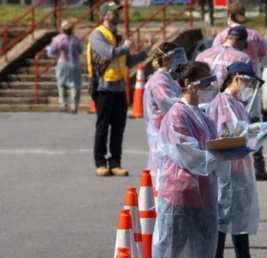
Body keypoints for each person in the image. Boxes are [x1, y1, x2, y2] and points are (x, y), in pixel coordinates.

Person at [146, 61, 233, 258]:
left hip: (203, 196)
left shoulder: (202, 116)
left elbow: (213, 144)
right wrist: (216, 155)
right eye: (205, 83)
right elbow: (188, 153)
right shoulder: (177, 115)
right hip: (179, 194)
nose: (210, 88)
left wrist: (231, 145)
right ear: (190, 85)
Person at [207, 62, 267, 258]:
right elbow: (229, 133)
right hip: (227, 168)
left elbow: (242, 130)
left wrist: (261, 130)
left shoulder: (235, 103)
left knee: (240, 216)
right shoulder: (223, 103)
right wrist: (254, 131)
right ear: (236, 78)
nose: (249, 87)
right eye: (247, 81)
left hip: (239, 166)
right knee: (223, 217)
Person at [212, 1, 267, 181]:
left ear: (228, 16)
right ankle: (257, 166)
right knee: (253, 124)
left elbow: (212, 59)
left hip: (223, 90)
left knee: (224, 126)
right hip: (250, 89)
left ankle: (226, 165)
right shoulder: (255, 36)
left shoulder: (220, 37)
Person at [88, 1, 149, 177]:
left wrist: (145, 52)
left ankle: (115, 162)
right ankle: (100, 162)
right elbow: (109, 53)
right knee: (102, 127)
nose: (118, 15)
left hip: (119, 89)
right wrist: (125, 47)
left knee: (118, 128)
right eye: (115, 12)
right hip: (103, 89)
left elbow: (128, 61)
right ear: (106, 15)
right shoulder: (97, 35)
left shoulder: (119, 37)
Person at [143, 42, 186, 185]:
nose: (178, 60)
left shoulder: (167, 78)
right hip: (161, 134)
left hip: (166, 133)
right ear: (167, 59)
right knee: (161, 178)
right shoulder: (159, 81)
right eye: (175, 57)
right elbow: (169, 104)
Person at [196, 25, 252, 92]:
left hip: (202, 98)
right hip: (226, 99)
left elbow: (195, 77)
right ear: (241, 42)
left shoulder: (203, 54)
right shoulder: (244, 58)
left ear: (226, 39)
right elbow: (246, 86)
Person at [45, 20, 83, 113]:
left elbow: (51, 52)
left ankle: (63, 104)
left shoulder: (58, 39)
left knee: (61, 84)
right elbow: (81, 50)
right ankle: (74, 106)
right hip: (75, 63)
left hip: (63, 62)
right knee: (75, 85)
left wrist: (49, 50)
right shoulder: (76, 40)